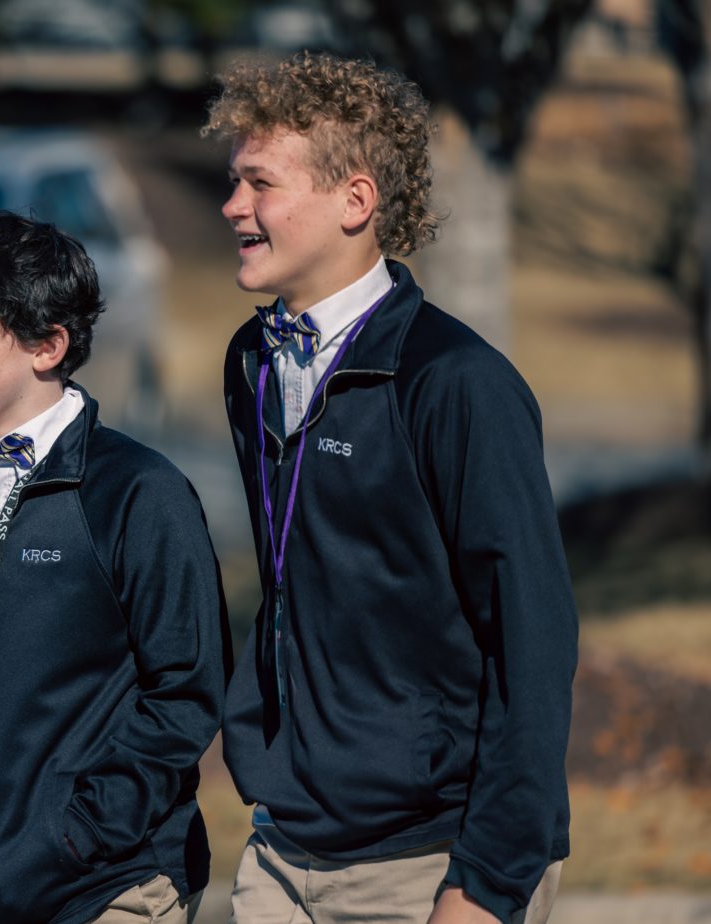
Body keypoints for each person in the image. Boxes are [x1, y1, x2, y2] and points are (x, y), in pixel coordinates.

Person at [202, 51, 577, 924]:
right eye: (232, 181)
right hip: (283, 849)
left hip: (432, 862)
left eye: (259, 182)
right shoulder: (250, 364)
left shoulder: (455, 384)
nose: (231, 206)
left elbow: (533, 638)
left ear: (356, 201)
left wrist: (484, 883)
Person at [0, 210, 229, 924]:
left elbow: (185, 696)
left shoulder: (138, 493)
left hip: (110, 888)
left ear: (48, 345)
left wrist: (77, 838)